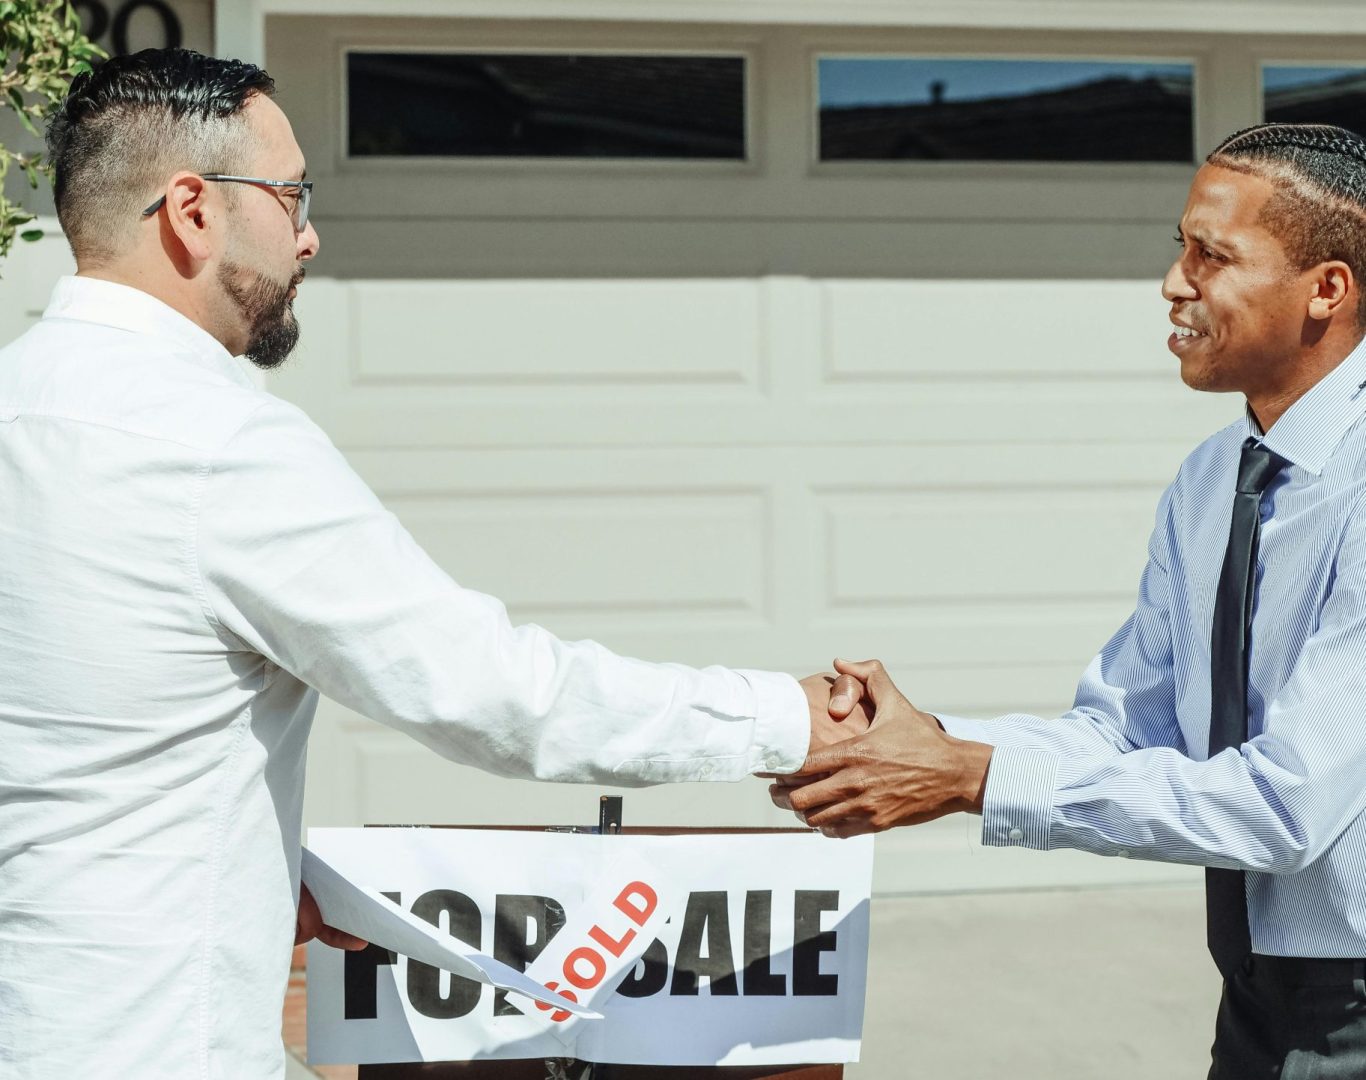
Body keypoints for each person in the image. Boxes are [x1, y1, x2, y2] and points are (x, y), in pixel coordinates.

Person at [0, 49, 862, 1078]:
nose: (309, 233)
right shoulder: (213, 441)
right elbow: (494, 694)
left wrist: (259, 875)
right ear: (193, 209)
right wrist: (798, 720)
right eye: (290, 195)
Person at [775, 122, 1366, 1077]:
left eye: (1211, 255)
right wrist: (922, 741)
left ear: (1326, 289)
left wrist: (968, 776)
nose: (1175, 283)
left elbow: (1285, 811)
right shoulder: (1215, 476)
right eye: (1179, 248)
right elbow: (1126, 726)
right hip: (1259, 991)